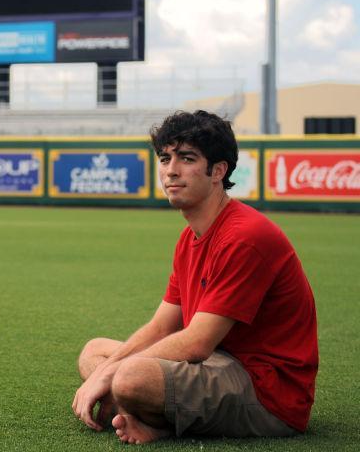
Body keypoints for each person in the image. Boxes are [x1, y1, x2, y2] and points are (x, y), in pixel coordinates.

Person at [72, 110, 318, 445]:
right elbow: (162, 326)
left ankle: (148, 415)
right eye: (165, 158)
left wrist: (112, 375)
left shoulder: (245, 236)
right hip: (218, 362)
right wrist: (104, 371)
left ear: (218, 171)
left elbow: (197, 341)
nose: (171, 170)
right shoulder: (190, 237)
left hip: (267, 391)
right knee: (95, 351)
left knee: (129, 376)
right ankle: (143, 413)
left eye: (187, 158)